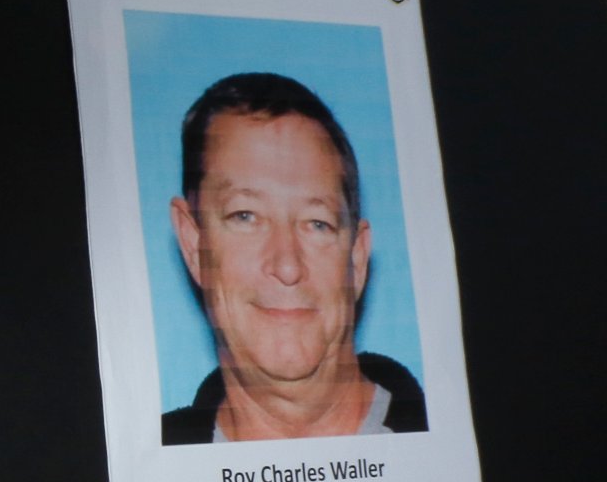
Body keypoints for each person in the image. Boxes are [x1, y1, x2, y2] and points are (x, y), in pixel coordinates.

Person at [159, 72, 426, 444]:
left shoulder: (458, 443)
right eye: (245, 216)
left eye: (317, 224)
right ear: (192, 243)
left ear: (358, 257)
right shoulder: (144, 473)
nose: (287, 266)